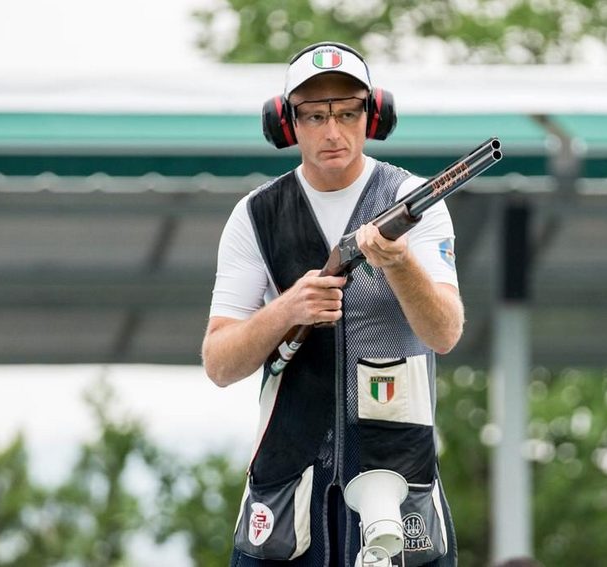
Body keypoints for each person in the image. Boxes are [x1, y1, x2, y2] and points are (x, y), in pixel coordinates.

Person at [201, 41, 463, 566]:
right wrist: (286, 310)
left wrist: (399, 263)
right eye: (315, 115)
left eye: (347, 112)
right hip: (287, 481)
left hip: (397, 478)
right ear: (287, 122)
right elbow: (219, 362)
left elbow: (445, 332)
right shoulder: (256, 215)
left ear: (373, 115)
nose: (332, 130)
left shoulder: (416, 201)